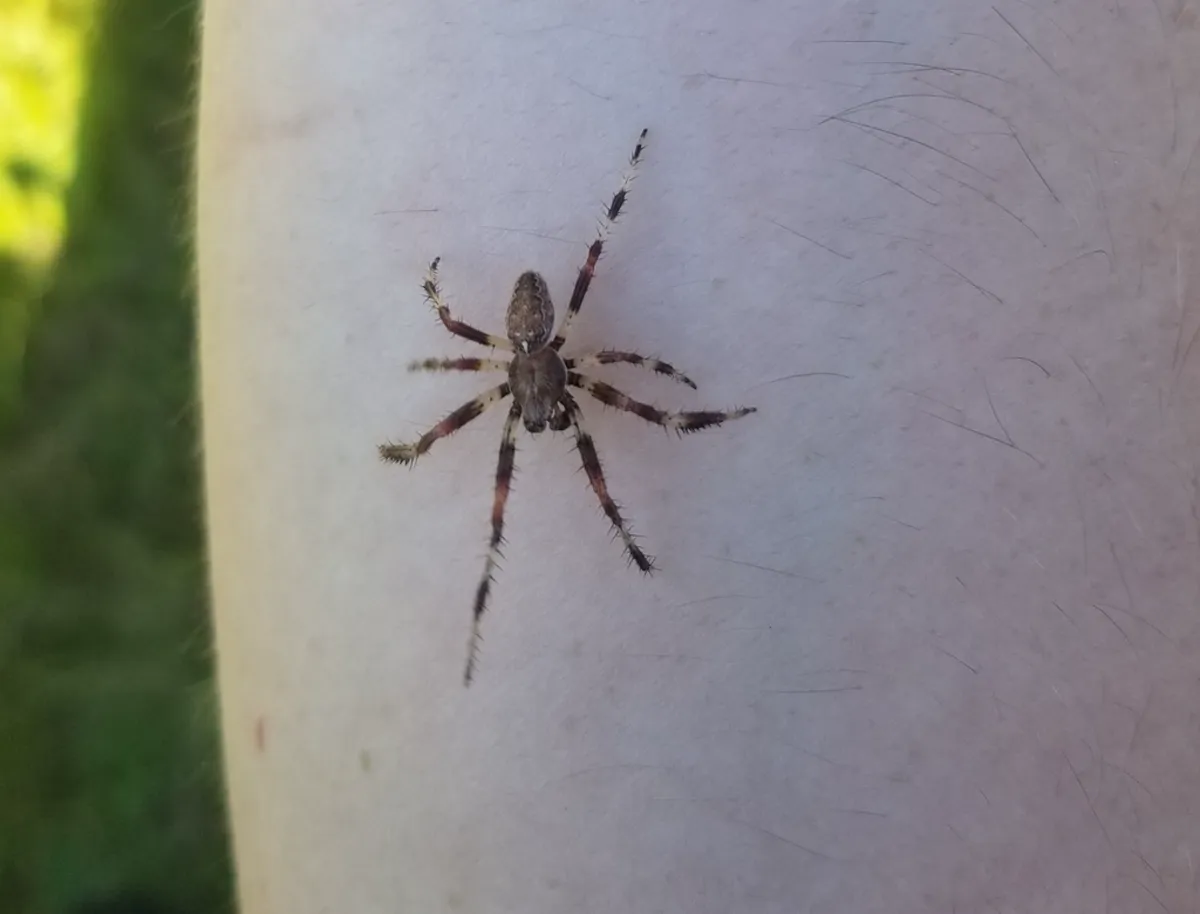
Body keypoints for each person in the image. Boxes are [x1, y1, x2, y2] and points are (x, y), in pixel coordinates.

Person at [197, 2, 1200, 910]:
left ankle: (684, 462)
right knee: (513, 478)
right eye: (538, 381)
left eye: (539, 383)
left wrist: (621, 294)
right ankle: (525, 559)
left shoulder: (547, 357)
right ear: (520, 357)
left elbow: (591, 327)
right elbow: (491, 341)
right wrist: (424, 414)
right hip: (520, 340)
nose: (546, 406)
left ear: (528, 357)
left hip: (545, 325)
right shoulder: (523, 371)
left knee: (625, 414)